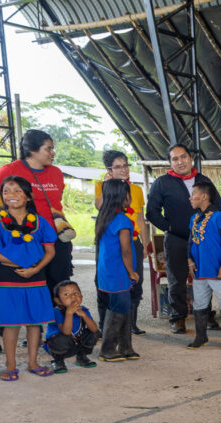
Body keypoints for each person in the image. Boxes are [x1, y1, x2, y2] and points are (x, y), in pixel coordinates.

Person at [0, 129, 73, 293]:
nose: (53, 152)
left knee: (60, 285)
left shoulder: (56, 172)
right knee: (34, 284)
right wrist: (5, 216)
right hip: (28, 236)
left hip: (55, 236)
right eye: (48, 148)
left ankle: (60, 317)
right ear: (32, 150)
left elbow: (57, 201)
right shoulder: (11, 169)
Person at [0, 176, 56, 380]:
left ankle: (33, 362)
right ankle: (10, 365)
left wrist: (35, 269)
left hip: (36, 277)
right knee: (11, 324)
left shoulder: (39, 222)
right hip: (8, 280)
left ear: (28, 196)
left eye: (17, 191)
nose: (11, 196)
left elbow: (50, 251)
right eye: (6, 191)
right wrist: (19, 263)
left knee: (35, 323)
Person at [145, 144, 221, 334]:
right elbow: (152, 212)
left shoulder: (203, 180)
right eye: (175, 159)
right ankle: (178, 318)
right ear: (170, 162)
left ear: (190, 158)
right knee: (176, 279)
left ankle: (206, 314)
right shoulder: (162, 182)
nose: (180, 161)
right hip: (176, 239)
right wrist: (169, 227)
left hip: (202, 239)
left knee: (204, 276)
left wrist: (206, 224)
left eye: (183, 157)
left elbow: (218, 205)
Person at [94, 150, 150, 336]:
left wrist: (145, 242)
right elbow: (100, 206)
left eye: (125, 165)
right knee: (107, 282)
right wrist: (106, 183)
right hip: (111, 242)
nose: (124, 169)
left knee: (134, 281)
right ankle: (105, 324)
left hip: (132, 240)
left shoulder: (136, 190)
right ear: (109, 169)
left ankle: (130, 324)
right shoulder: (101, 186)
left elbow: (140, 218)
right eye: (118, 167)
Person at [186, 182, 221, 350]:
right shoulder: (193, 219)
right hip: (200, 270)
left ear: (204, 197)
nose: (190, 197)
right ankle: (201, 337)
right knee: (199, 304)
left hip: (217, 270)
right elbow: (190, 242)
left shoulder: (219, 217)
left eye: (193, 193)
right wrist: (189, 261)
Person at [95, 179, 140, 362]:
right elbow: (126, 249)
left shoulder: (105, 217)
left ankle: (126, 347)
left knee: (123, 307)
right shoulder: (122, 220)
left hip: (107, 270)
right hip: (119, 271)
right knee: (119, 308)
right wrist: (131, 271)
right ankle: (107, 349)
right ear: (124, 196)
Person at [44, 280, 99, 373]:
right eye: (66, 294)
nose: (73, 296)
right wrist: (69, 313)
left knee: (95, 333)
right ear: (58, 301)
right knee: (63, 338)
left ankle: (81, 356)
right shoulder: (57, 312)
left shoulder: (83, 310)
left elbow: (94, 329)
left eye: (76, 293)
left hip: (74, 345)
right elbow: (66, 332)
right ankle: (58, 361)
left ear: (81, 296)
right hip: (58, 346)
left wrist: (84, 315)